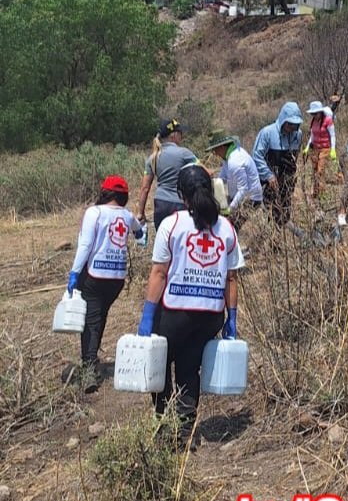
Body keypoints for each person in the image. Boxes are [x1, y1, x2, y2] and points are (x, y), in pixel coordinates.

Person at [137, 165, 244, 447]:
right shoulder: (226, 228)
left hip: (175, 313)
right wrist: (231, 318)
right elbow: (231, 279)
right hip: (210, 316)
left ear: (180, 195)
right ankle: (185, 431)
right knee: (188, 369)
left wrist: (147, 316)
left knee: (159, 366)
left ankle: (164, 426)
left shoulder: (171, 225)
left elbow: (159, 273)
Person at [63, 176, 146, 392]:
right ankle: (91, 360)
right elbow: (140, 232)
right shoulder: (127, 215)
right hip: (116, 279)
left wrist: (74, 272)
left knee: (91, 320)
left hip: (94, 276)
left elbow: (85, 245)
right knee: (99, 317)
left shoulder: (95, 213)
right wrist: (140, 236)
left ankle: (89, 369)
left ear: (104, 193)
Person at [136, 119, 198, 230]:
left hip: (160, 203)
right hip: (179, 204)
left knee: (163, 237)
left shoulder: (153, 158)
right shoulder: (184, 153)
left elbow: (145, 188)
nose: (182, 136)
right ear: (173, 135)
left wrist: (140, 213)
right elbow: (204, 171)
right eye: (180, 133)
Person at [252, 102, 303, 227]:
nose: (292, 127)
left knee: (284, 213)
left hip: (286, 181)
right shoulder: (267, 133)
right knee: (269, 213)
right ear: (283, 119)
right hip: (269, 182)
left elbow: (295, 156)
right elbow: (257, 156)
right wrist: (268, 175)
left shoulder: (298, 135)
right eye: (289, 124)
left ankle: (282, 235)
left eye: (295, 125)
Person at [205, 132, 263, 230]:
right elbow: (221, 179)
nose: (215, 153)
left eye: (215, 150)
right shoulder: (227, 158)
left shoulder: (235, 161)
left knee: (230, 227)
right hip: (237, 195)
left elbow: (243, 190)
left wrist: (230, 209)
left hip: (249, 198)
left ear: (222, 147)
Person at [303, 101, 337, 200]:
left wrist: (333, 149)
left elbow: (332, 135)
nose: (314, 115)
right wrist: (307, 147)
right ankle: (315, 192)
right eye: (312, 114)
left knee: (320, 171)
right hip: (315, 148)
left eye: (316, 113)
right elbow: (312, 135)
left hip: (325, 149)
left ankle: (322, 194)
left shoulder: (328, 120)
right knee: (314, 171)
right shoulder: (313, 121)